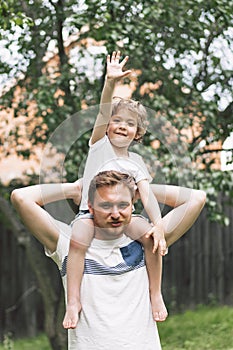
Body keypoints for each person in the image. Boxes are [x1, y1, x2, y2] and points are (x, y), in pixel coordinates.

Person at [11, 170, 206, 350]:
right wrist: (75, 189)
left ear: (132, 205)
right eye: (105, 205)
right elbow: (21, 198)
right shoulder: (68, 243)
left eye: (123, 204)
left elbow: (196, 198)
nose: (115, 214)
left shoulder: (149, 240)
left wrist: (138, 189)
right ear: (90, 206)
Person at [64, 50, 168, 328]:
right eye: (117, 121)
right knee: (77, 239)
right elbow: (103, 108)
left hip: (123, 219)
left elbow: (146, 195)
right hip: (91, 215)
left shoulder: (137, 162)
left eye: (130, 124)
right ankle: (73, 301)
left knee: (151, 240)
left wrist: (158, 226)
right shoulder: (99, 146)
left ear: (138, 133)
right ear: (107, 127)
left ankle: (155, 293)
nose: (122, 126)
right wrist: (110, 83)